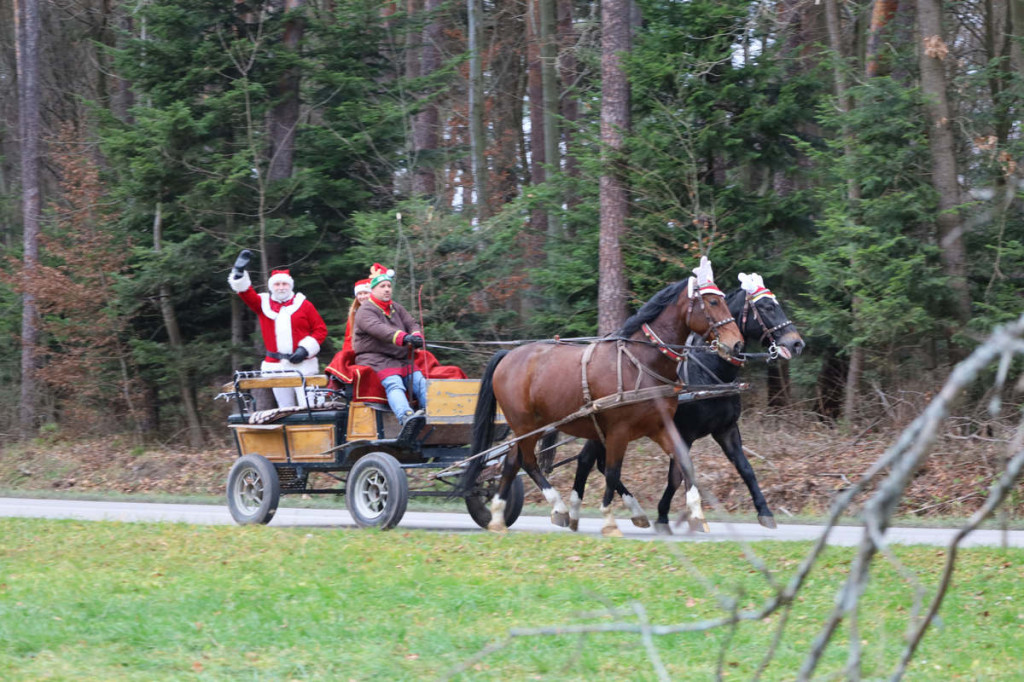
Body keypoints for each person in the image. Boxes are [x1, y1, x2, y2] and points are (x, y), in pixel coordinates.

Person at [228, 251, 328, 408]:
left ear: (290, 285)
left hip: (303, 365)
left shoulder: (304, 304)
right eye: (277, 284)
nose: (281, 288)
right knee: (285, 408)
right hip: (275, 366)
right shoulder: (263, 303)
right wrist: (239, 273)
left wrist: (305, 349)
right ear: (271, 286)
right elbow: (246, 293)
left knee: (310, 407)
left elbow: (320, 330)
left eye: (285, 284)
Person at [353, 263, 428, 431]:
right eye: (382, 286)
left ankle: (435, 414)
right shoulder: (365, 311)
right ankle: (406, 417)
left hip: (400, 358)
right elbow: (380, 330)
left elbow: (412, 323)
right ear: (373, 290)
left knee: (420, 383)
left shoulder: (396, 307)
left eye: (388, 286)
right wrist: (404, 337)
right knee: (394, 383)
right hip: (375, 358)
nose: (387, 289)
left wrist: (416, 335)